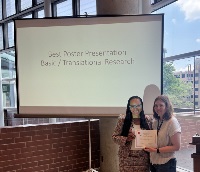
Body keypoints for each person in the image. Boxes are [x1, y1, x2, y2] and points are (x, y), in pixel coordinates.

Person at [112, 96, 152, 172]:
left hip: (143, 159)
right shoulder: (122, 120)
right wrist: (126, 138)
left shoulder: (148, 120)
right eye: (132, 106)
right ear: (129, 107)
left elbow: (152, 137)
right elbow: (114, 137)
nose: (135, 108)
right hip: (126, 159)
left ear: (142, 106)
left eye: (138, 106)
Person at [144, 95, 181, 172]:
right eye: (156, 105)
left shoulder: (172, 122)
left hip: (166, 163)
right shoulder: (155, 121)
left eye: (161, 105)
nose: (158, 108)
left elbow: (176, 147)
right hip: (154, 162)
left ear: (167, 107)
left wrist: (156, 150)